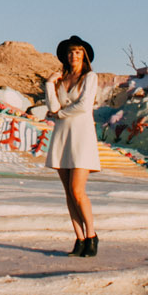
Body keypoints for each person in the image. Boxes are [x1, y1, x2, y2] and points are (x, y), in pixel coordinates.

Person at [45, 34, 100, 257]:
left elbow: (84, 106)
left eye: (78, 52)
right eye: (70, 52)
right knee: (68, 192)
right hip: (61, 136)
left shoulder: (90, 77)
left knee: (78, 191)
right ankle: (79, 238)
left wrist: (60, 114)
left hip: (82, 137)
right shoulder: (59, 80)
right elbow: (51, 104)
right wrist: (49, 83)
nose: (73, 55)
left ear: (84, 55)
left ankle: (92, 235)